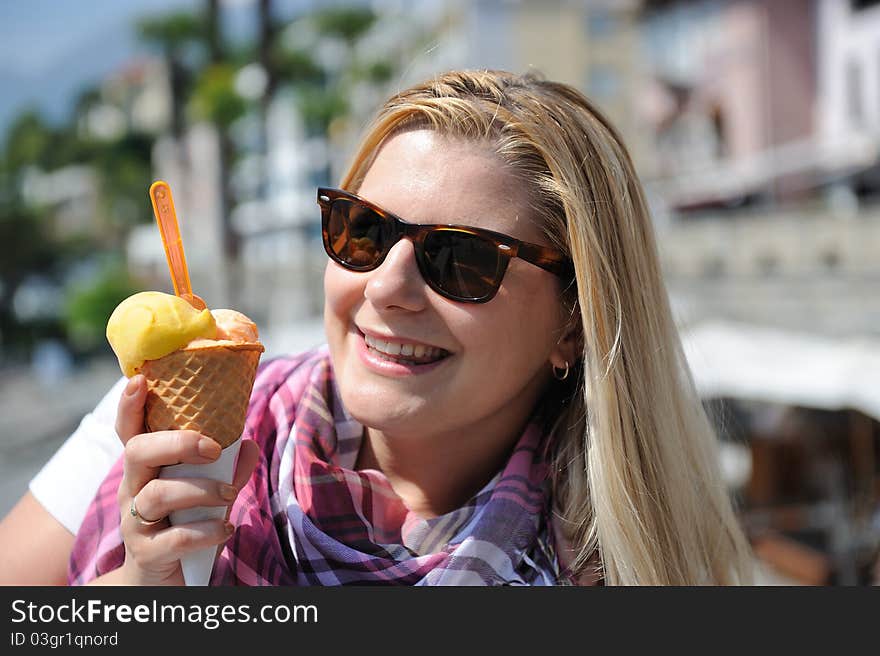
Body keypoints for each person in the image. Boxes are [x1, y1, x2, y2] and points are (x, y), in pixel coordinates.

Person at [0, 69, 753, 585]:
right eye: (362, 231)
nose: (387, 286)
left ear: (575, 324)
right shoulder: (157, 443)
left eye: (461, 259)